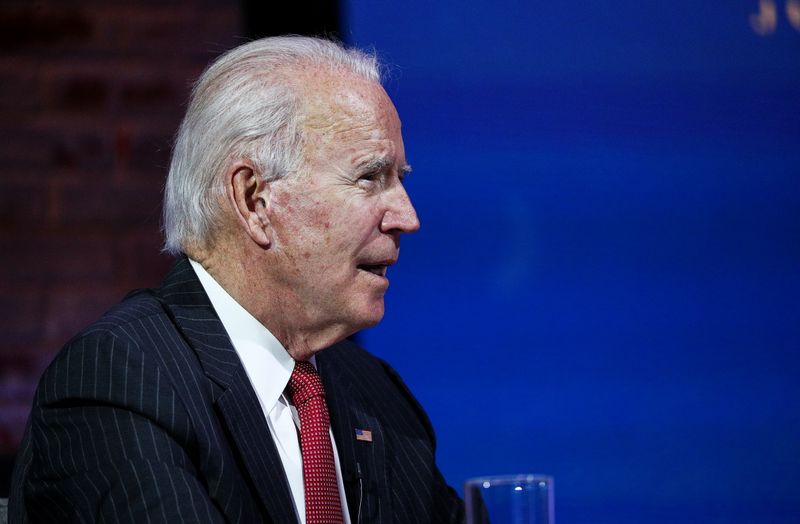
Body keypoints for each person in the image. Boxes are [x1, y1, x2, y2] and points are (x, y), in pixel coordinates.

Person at [10, 36, 464, 523]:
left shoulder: (376, 393)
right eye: (370, 178)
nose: (407, 216)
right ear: (253, 201)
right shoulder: (124, 379)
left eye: (401, 178)